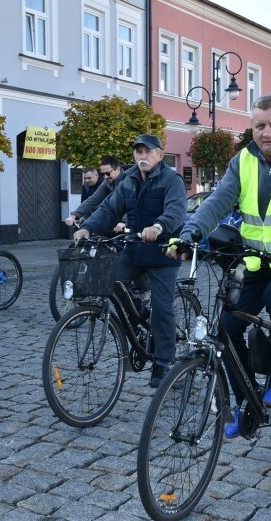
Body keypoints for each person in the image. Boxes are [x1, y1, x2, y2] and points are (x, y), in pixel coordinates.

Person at [168, 95, 271, 438]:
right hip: (260, 259)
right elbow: (219, 200)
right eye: (259, 125)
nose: (266, 132)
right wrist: (190, 234)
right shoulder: (243, 160)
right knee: (227, 324)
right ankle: (246, 402)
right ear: (251, 127)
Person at [73, 134, 186, 388]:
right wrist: (87, 228)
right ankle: (139, 317)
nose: (142, 156)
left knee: (163, 308)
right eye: (138, 152)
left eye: (147, 152)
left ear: (159, 154)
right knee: (110, 280)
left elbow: (177, 210)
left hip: (165, 252)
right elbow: (109, 208)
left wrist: (159, 226)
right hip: (135, 249)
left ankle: (163, 364)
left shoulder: (171, 179)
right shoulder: (129, 180)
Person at [65, 156, 123, 229]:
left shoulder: (128, 181)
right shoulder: (108, 182)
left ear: (118, 169)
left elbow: (131, 204)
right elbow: (94, 199)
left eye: (108, 173)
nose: (105, 177)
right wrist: (74, 215)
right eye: (103, 174)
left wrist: (124, 222)